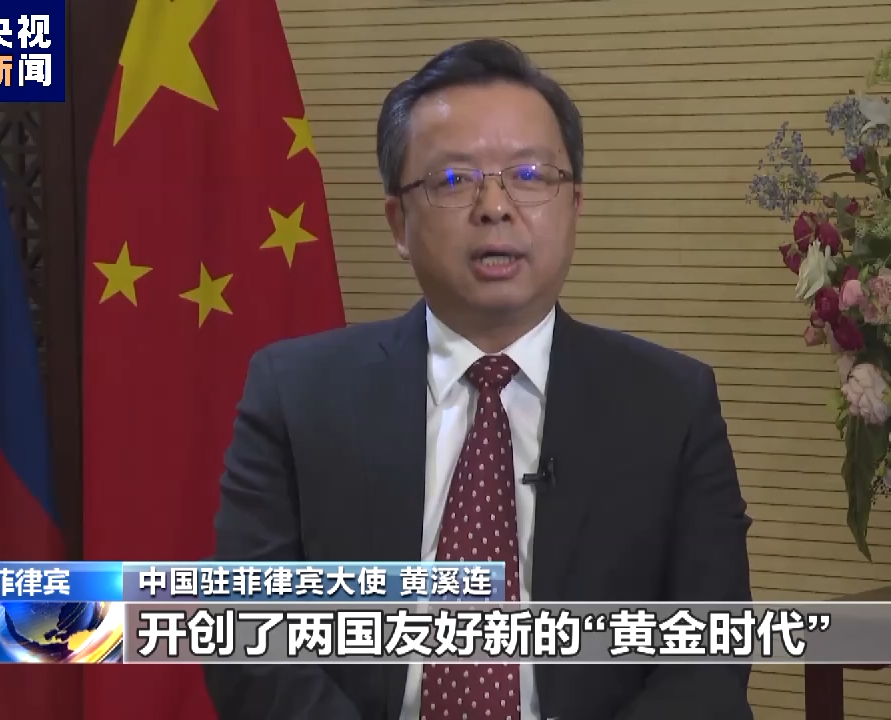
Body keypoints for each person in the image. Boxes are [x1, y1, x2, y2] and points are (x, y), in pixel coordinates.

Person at [204, 38, 754, 720]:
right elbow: (248, 644)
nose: (495, 207)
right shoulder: (296, 395)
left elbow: (708, 662)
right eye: (453, 180)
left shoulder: (670, 406)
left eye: (529, 174)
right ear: (398, 222)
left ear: (575, 206)